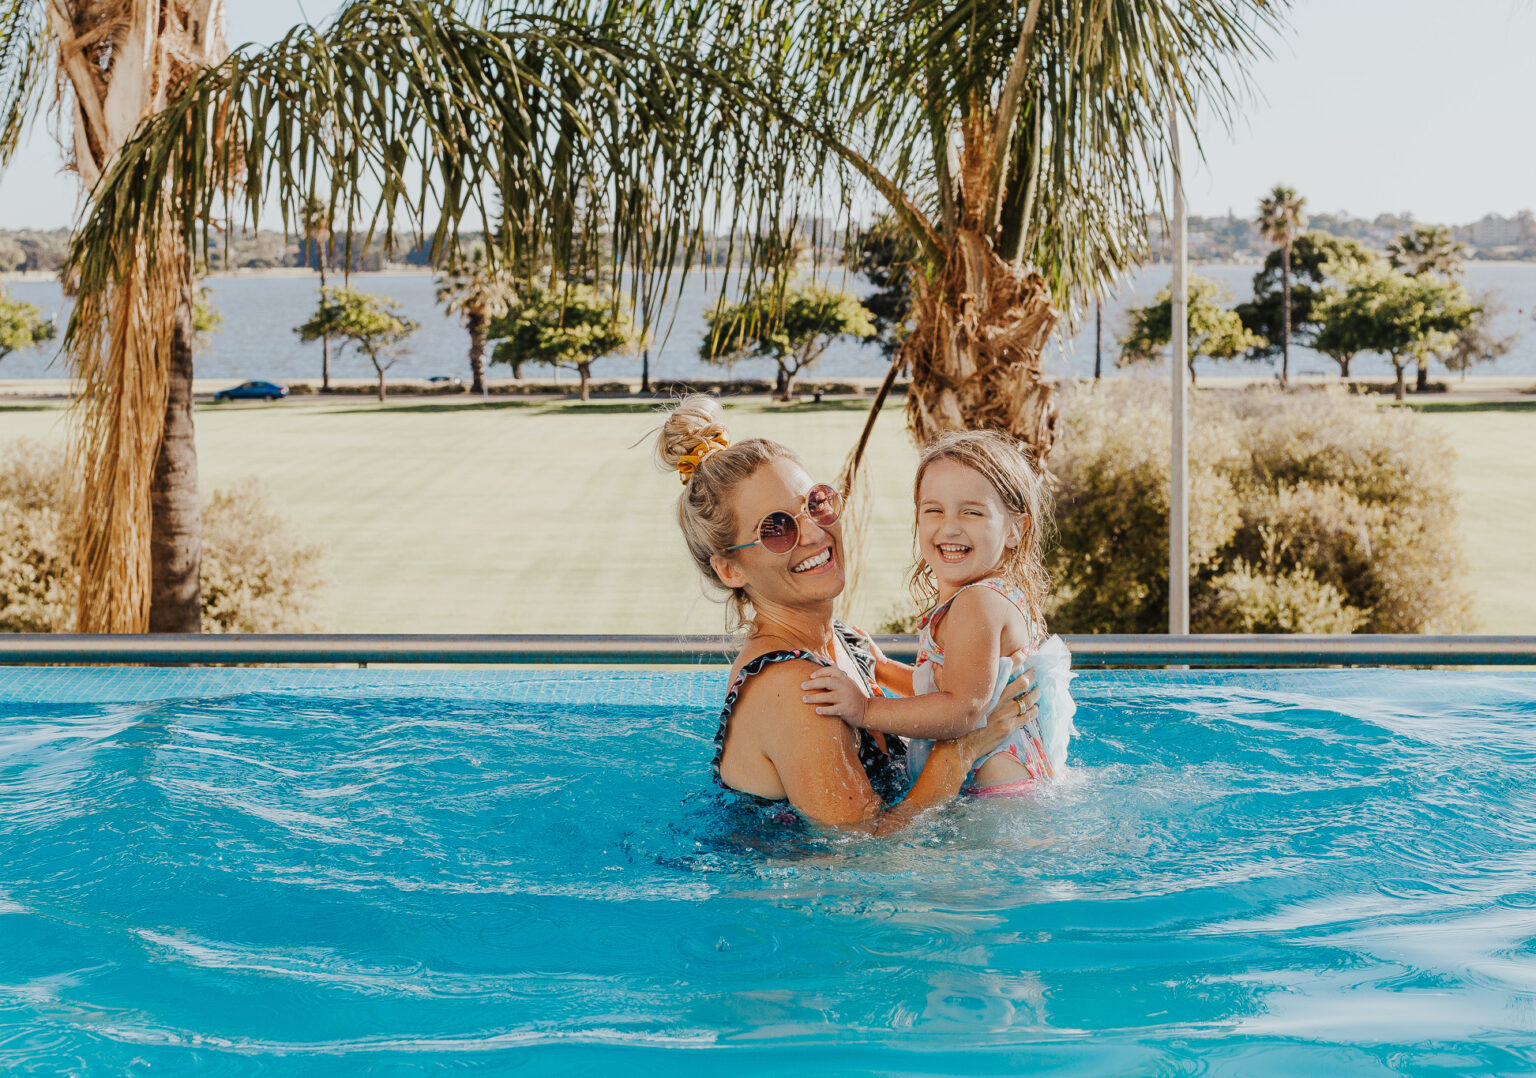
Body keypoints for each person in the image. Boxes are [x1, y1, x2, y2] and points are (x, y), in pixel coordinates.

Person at [655, 395, 1040, 831]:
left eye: (816, 504)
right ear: (729, 568)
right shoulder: (794, 689)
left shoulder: (847, 643)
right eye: (777, 529)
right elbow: (867, 854)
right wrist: (965, 748)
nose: (815, 533)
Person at [803, 429, 1076, 795]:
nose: (950, 527)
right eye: (934, 510)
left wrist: (865, 709)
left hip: (999, 799)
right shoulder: (984, 597)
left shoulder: (977, 603)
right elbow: (951, 684)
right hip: (1008, 786)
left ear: (1015, 529)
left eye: (972, 512)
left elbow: (962, 709)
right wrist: (882, 668)